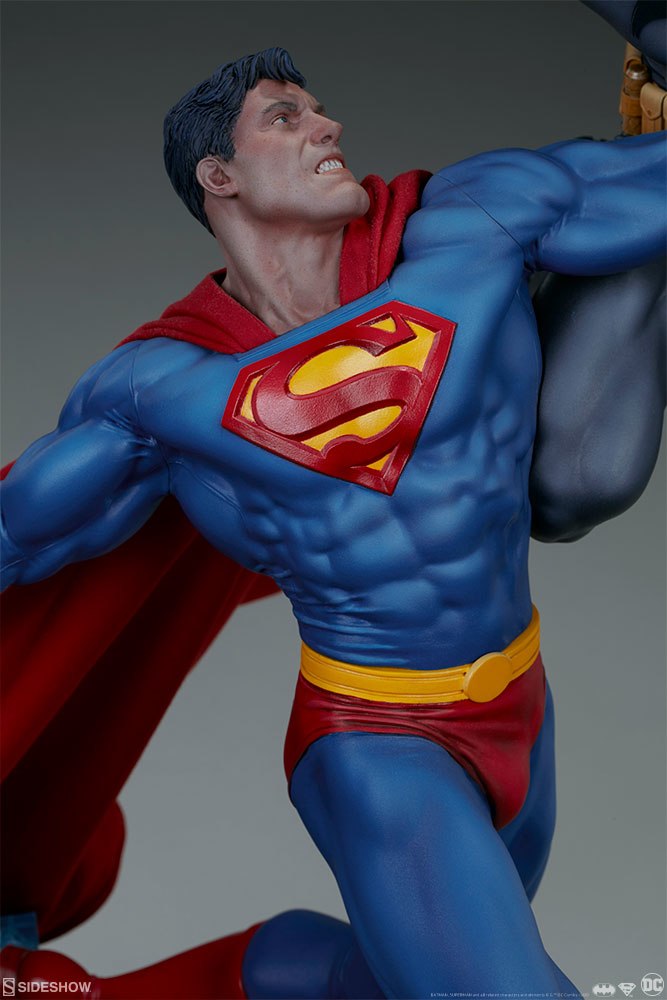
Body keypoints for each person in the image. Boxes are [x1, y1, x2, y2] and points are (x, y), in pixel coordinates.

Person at [1, 36, 665, 1000]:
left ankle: (288, 976)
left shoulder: (471, 226)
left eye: (316, 108)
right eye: (286, 116)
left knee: (392, 982)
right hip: (378, 743)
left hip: (520, 702)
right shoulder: (159, 392)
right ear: (218, 176)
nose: (327, 125)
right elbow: (17, 538)